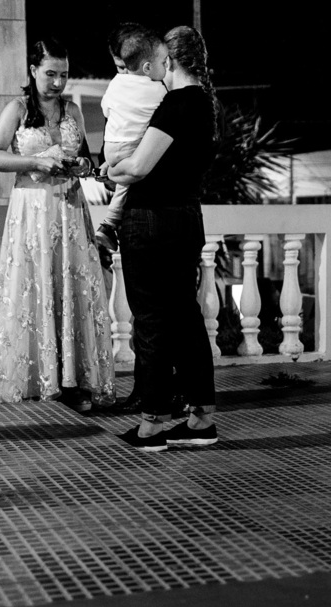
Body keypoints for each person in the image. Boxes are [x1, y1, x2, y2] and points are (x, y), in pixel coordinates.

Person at [0, 37, 116, 411]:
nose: (57, 82)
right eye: (50, 73)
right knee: (36, 285)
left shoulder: (73, 110)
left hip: (70, 208)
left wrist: (82, 165)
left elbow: (85, 158)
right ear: (33, 70)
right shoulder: (17, 109)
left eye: (64, 75)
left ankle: (74, 380)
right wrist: (35, 162)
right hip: (32, 210)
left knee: (72, 289)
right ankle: (39, 377)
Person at [108, 25, 219, 452]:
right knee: (187, 319)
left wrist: (109, 170)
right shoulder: (206, 104)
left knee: (152, 322)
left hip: (152, 220)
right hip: (187, 218)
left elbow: (138, 167)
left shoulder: (176, 103)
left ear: (168, 61)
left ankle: (153, 423)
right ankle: (201, 418)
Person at [93, 25, 168, 253]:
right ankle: (109, 224)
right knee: (127, 180)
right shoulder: (159, 89)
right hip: (131, 162)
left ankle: (108, 225)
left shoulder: (116, 85)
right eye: (120, 67)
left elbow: (106, 108)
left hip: (113, 151)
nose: (126, 73)